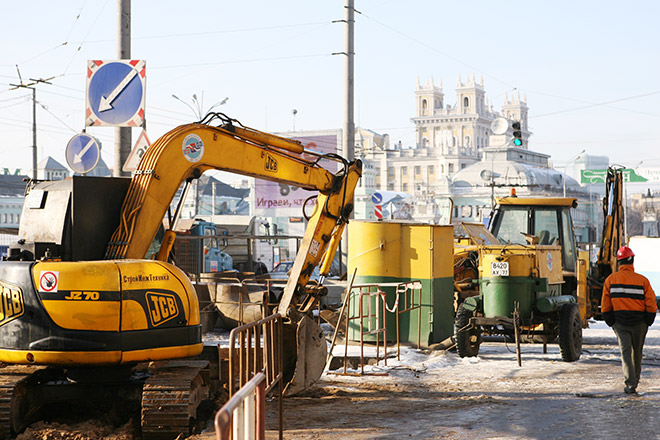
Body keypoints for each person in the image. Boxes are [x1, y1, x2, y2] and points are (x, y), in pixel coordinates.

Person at [601, 245, 658, 394]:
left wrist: (610, 320)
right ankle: (635, 381)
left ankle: (630, 384)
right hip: (639, 323)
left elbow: (605, 304)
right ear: (632, 261)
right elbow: (651, 303)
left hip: (620, 323)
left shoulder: (610, 280)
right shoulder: (643, 281)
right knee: (637, 353)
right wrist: (649, 319)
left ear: (619, 262)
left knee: (625, 353)